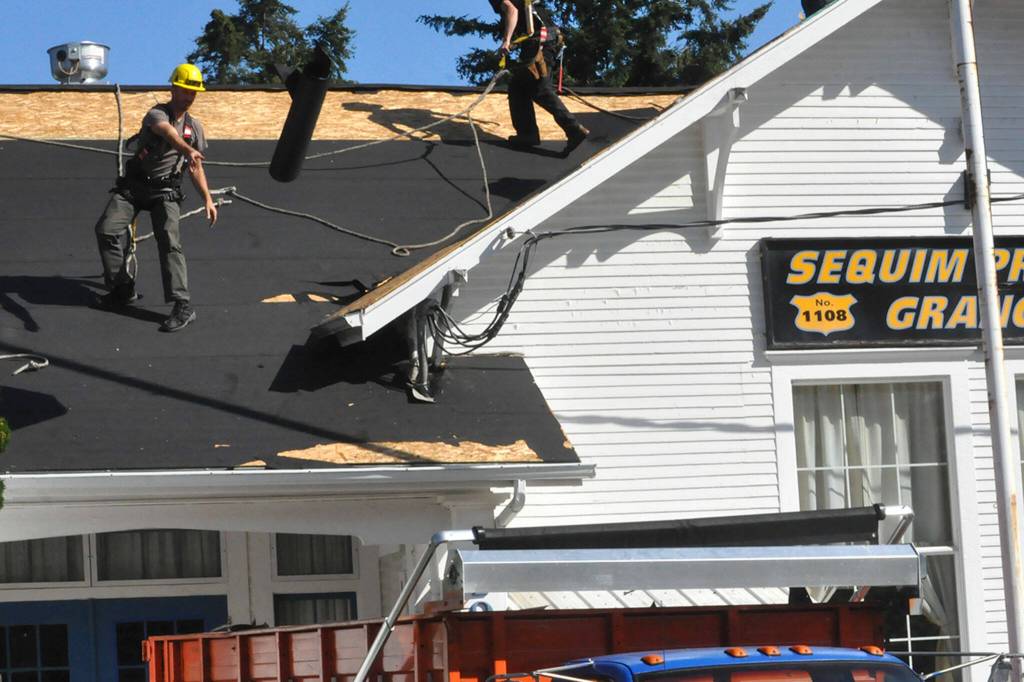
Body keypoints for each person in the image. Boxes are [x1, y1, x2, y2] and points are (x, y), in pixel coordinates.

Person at [93, 63, 218, 332]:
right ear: (173, 88)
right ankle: (122, 288)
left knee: (170, 243)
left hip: (165, 192)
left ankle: (182, 305)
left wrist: (207, 198)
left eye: (194, 92)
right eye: (185, 90)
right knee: (107, 230)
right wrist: (186, 150)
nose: (189, 96)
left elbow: (196, 168)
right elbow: (168, 133)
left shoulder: (195, 128)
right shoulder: (157, 114)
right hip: (134, 188)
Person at [489, 0, 590, 155]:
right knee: (518, 86)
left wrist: (506, 41)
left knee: (538, 87)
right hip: (544, 39)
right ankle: (527, 134)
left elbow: (512, 10)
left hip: (540, 41)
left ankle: (573, 128)